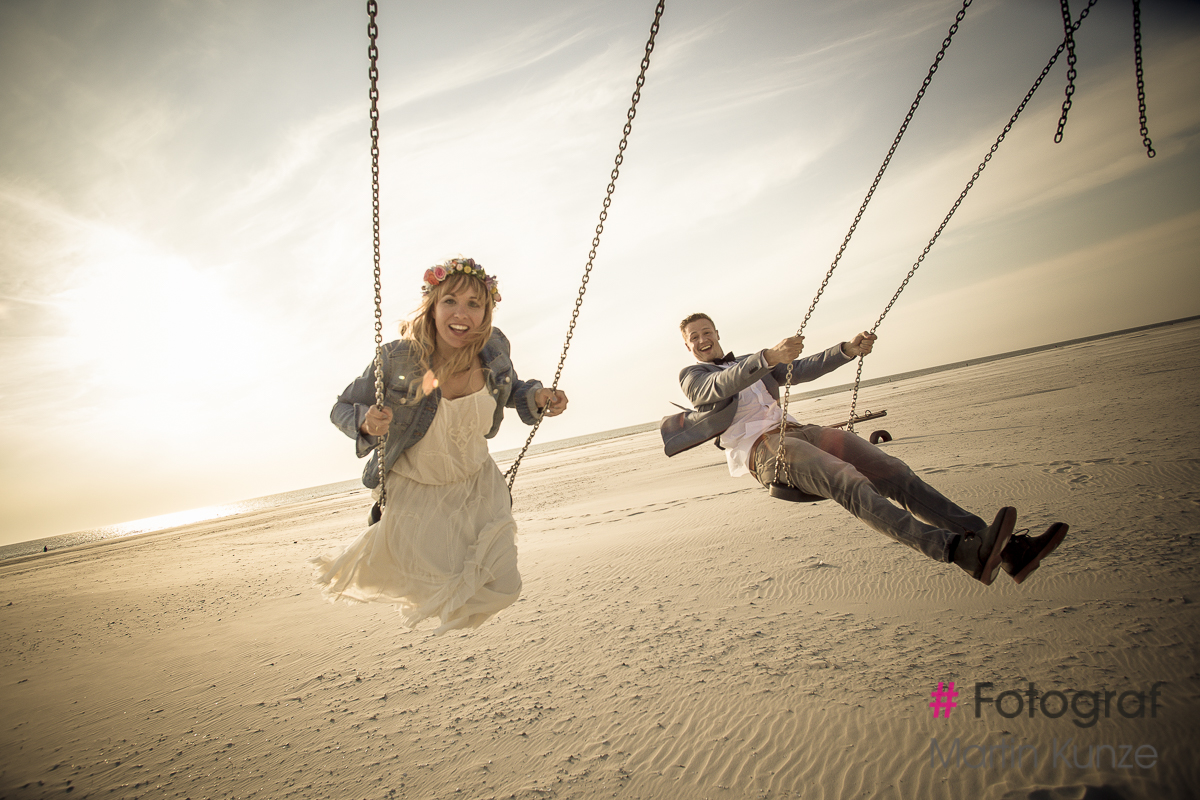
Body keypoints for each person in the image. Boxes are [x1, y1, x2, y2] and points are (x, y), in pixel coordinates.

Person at [661, 313, 1068, 586]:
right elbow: (716, 387)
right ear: (688, 346)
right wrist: (767, 356)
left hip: (799, 432)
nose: (701, 339)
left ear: (717, 334)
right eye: (693, 337)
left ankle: (1006, 550)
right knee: (849, 482)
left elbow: (802, 369)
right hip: (766, 452)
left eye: (706, 332)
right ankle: (957, 551)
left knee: (893, 472)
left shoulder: (755, 362)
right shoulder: (694, 376)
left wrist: (847, 350)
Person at [314, 257, 568, 633]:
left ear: (487, 312)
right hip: (417, 488)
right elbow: (341, 407)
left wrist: (537, 397)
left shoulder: (494, 349)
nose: (461, 313)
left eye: (473, 304)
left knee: (504, 586)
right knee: (432, 586)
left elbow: (509, 388)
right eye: (450, 301)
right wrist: (366, 422)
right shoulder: (397, 357)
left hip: (478, 484)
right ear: (432, 306)